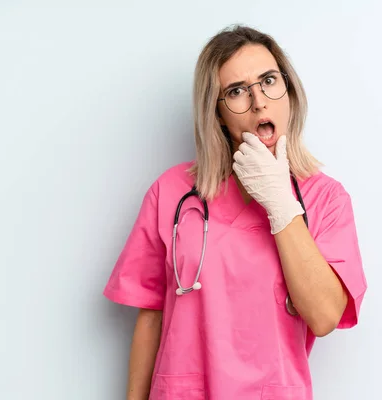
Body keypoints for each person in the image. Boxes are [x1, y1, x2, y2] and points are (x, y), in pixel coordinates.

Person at [103, 24, 367, 400]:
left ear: (289, 93)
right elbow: (152, 315)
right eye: (237, 91)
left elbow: (324, 316)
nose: (259, 101)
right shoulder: (173, 193)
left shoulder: (326, 200)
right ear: (218, 113)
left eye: (269, 81)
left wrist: (279, 202)